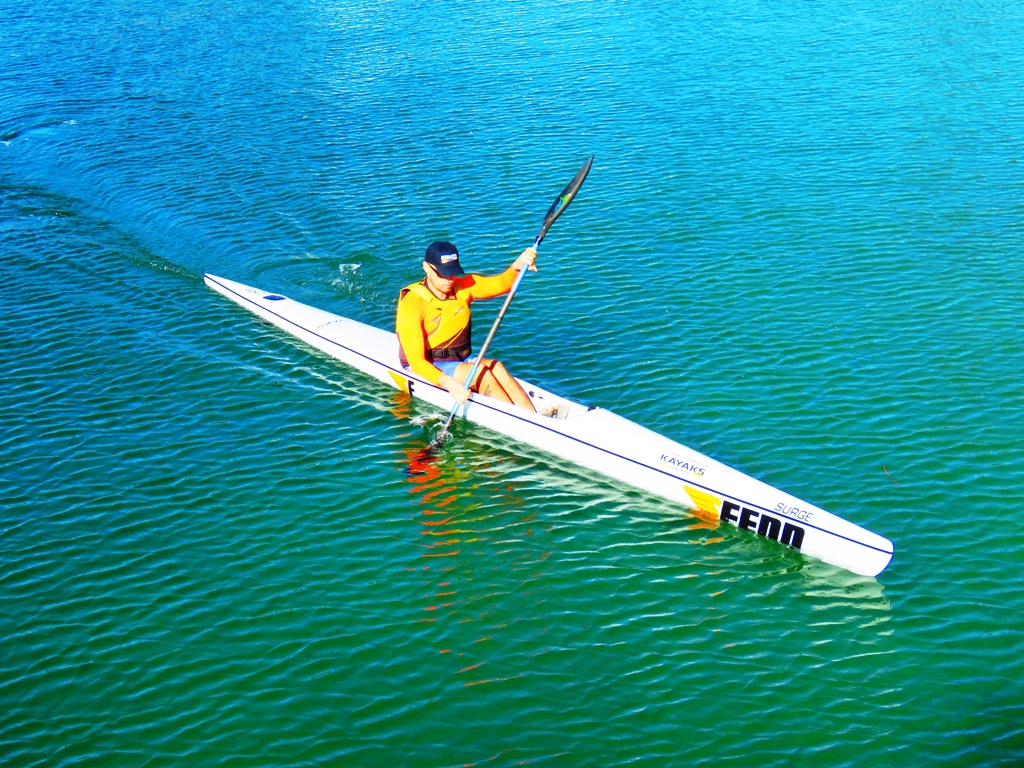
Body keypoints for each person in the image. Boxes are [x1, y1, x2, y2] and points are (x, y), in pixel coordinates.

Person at [396, 240, 538, 412]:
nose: (450, 279)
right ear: (427, 267)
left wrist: (516, 267)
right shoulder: (413, 303)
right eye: (443, 274)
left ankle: (532, 417)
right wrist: (450, 385)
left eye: (453, 273)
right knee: (480, 373)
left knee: (496, 367)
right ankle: (516, 422)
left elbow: (501, 283)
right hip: (429, 364)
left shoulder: (462, 287)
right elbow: (416, 361)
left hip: (457, 361)